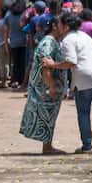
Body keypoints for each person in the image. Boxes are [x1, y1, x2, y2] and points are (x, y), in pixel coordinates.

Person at [42, 12, 92, 154]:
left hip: (85, 78)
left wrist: (53, 64)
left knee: (83, 113)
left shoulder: (68, 40)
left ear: (66, 26)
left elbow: (71, 62)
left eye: (61, 23)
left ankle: (87, 146)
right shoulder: (85, 36)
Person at [19, 13, 70, 155]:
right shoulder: (48, 43)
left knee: (49, 116)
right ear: (54, 26)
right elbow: (45, 66)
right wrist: (51, 86)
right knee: (47, 115)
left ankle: (48, 145)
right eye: (62, 25)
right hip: (45, 88)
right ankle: (47, 147)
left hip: (48, 86)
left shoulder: (53, 42)